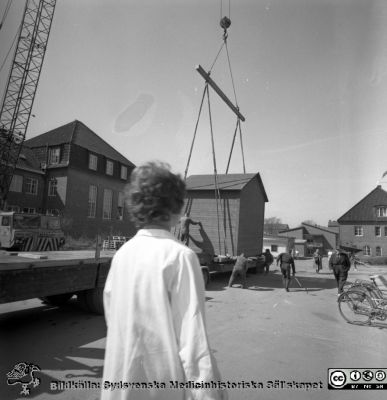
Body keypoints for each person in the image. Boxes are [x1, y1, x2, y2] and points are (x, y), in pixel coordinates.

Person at [102, 161, 225, 400]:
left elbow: (114, 319)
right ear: (177, 209)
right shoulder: (181, 257)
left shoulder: (122, 255)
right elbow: (193, 340)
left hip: (120, 386)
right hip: (161, 389)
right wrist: (208, 394)